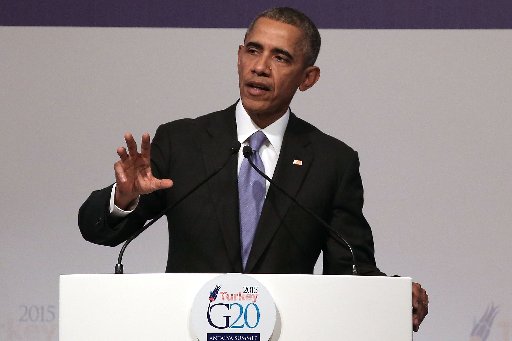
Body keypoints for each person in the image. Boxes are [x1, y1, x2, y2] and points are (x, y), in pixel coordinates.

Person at [78, 7, 428, 331]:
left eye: (280, 57)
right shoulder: (182, 142)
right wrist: (123, 198)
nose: (260, 67)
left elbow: (350, 266)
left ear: (308, 78)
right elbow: (99, 232)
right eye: (253, 51)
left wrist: (391, 294)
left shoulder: (332, 161)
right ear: (239, 56)